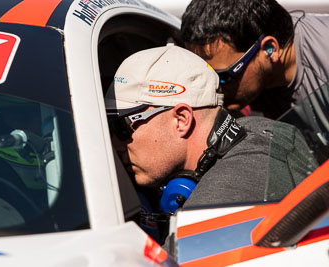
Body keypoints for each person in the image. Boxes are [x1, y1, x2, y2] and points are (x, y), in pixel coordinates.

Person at [105, 45, 318, 213]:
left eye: (121, 126)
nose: (115, 144)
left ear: (181, 119)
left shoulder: (218, 202)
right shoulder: (270, 129)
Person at [181, 0, 329, 161]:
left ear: (269, 49)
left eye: (223, 77)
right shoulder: (256, 66)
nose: (215, 87)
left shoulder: (323, 58)